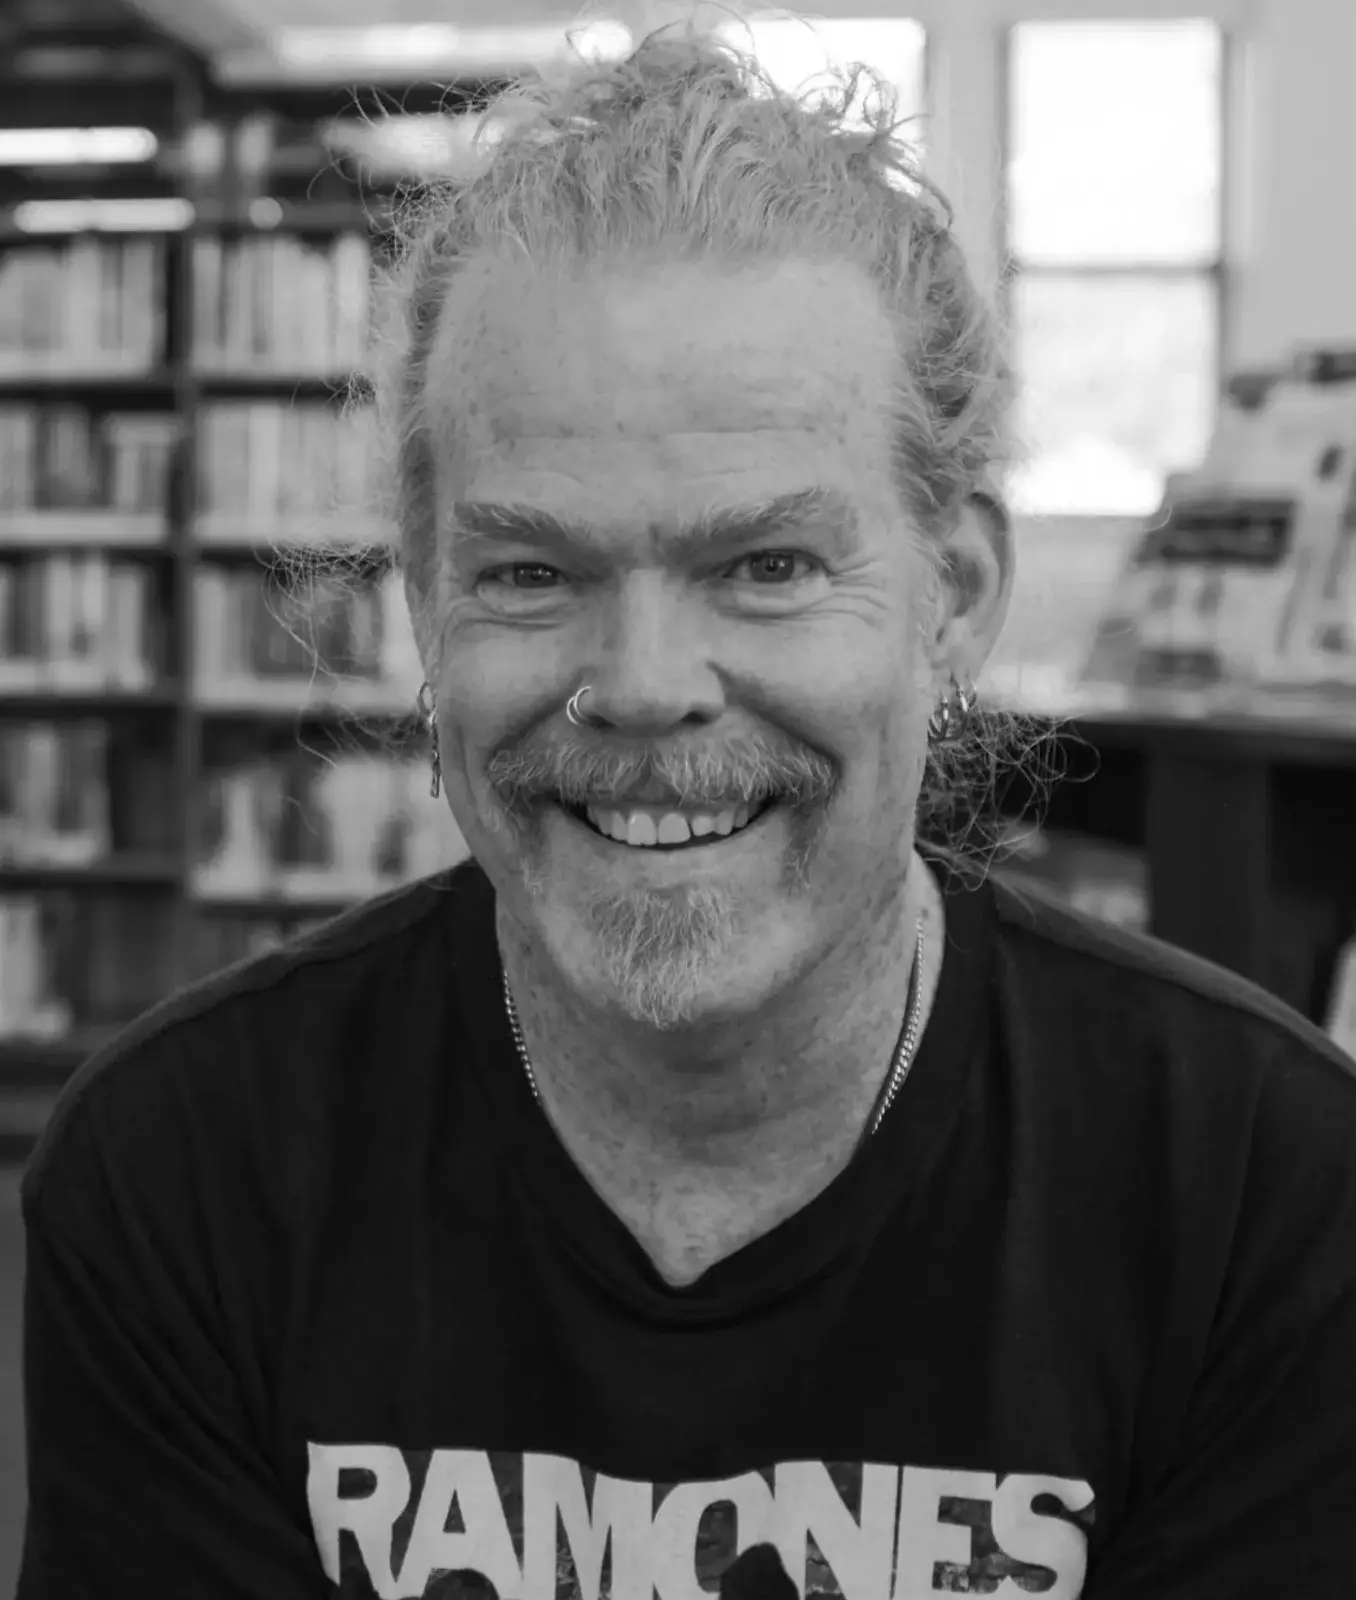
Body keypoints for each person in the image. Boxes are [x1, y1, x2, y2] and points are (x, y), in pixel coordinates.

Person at [16, 23, 1356, 1600]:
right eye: (530, 572)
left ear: (958, 594)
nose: (645, 686)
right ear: (426, 610)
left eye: (767, 566)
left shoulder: (1268, 1198)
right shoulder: (183, 1176)